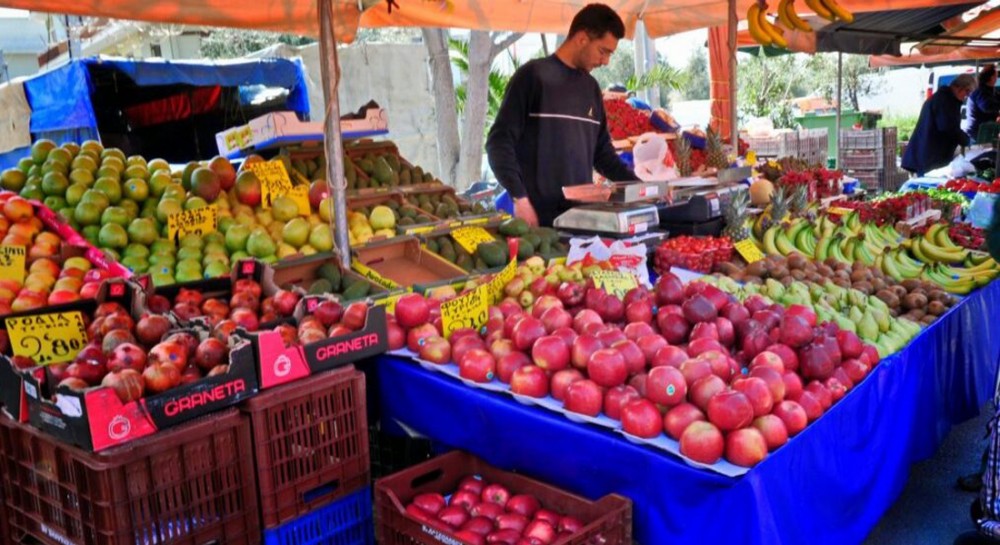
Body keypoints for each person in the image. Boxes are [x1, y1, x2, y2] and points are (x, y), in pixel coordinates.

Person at [486, 3, 637, 227]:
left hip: (581, 221)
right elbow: (498, 143)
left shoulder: (591, 88)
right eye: (603, 51)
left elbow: (603, 155)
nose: (606, 62)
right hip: (538, 224)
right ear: (582, 38)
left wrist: (641, 189)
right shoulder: (532, 77)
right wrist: (520, 198)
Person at [902, 74, 977, 176]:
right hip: (928, 157)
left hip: (929, 156)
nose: (967, 96)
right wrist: (966, 140)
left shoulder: (946, 98)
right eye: (967, 91)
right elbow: (947, 126)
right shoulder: (944, 99)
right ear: (959, 87)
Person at [965, 65, 1000, 144]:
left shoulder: (991, 91)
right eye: (996, 75)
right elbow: (986, 106)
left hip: (987, 133)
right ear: (991, 78)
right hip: (977, 135)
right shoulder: (979, 91)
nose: (997, 78)